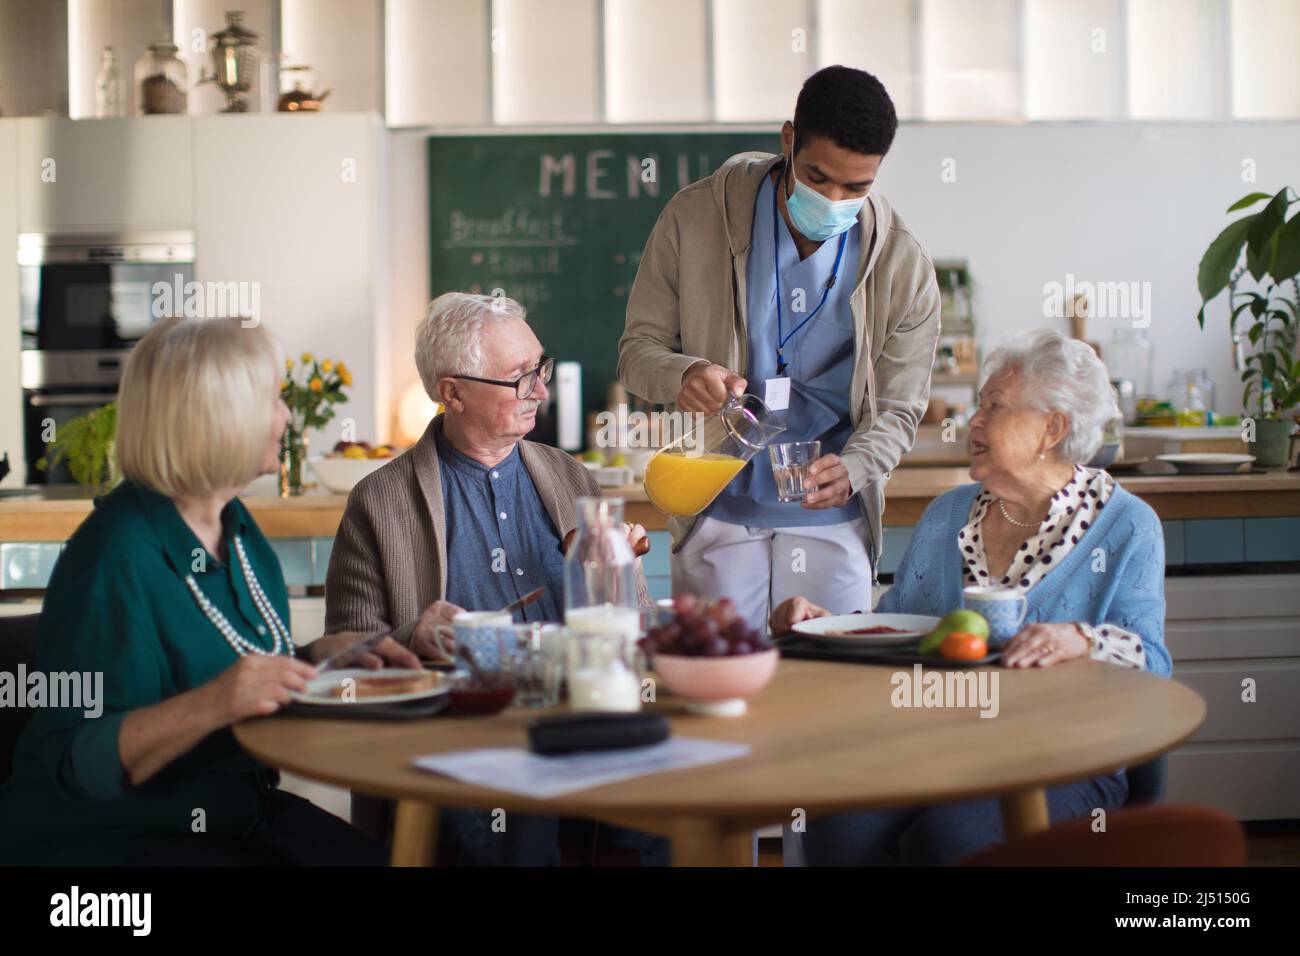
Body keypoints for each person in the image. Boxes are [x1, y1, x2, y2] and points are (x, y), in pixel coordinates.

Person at [0, 317, 416, 866]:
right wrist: (218, 701)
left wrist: (318, 658)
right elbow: (82, 762)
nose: (287, 416)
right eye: (273, 399)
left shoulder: (237, 528)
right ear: (219, 418)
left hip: (234, 813)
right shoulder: (113, 556)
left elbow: (230, 667)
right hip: (115, 838)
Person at [770, 330, 1173, 866]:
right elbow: (896, 630)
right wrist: (827, 628)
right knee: (839, 824)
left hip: (1064, 756)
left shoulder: (1127, 525)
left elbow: (1154, 661)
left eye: (995, 407)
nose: (974, 422)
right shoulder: (947, 515)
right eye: (978, 405)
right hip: (935, 743)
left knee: (955, 837)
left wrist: (1079, 638)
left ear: (1053, 428)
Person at [325, 291, 659, 865]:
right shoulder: (379, 502)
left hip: (585, 711)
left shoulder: (569, 476)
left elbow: (643, 632)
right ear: (451, 393)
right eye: (519, 378)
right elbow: (344, 658)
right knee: (511, 831)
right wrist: (411, 636)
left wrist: (613, 574)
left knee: (664, 809)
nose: (542, 391)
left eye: (540, 369)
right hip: (469, 732)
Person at [618, 65, 941, 635]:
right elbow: (637, 352)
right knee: (718, 679)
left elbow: (899, 408)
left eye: (856, 187)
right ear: (788, 140)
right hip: (717, 500)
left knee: (828, 694)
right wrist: (683, 374)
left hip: (830, 509)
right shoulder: (694, 219)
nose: (834, 199)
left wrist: (857, 467)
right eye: (817, 177)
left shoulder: (903, 264)